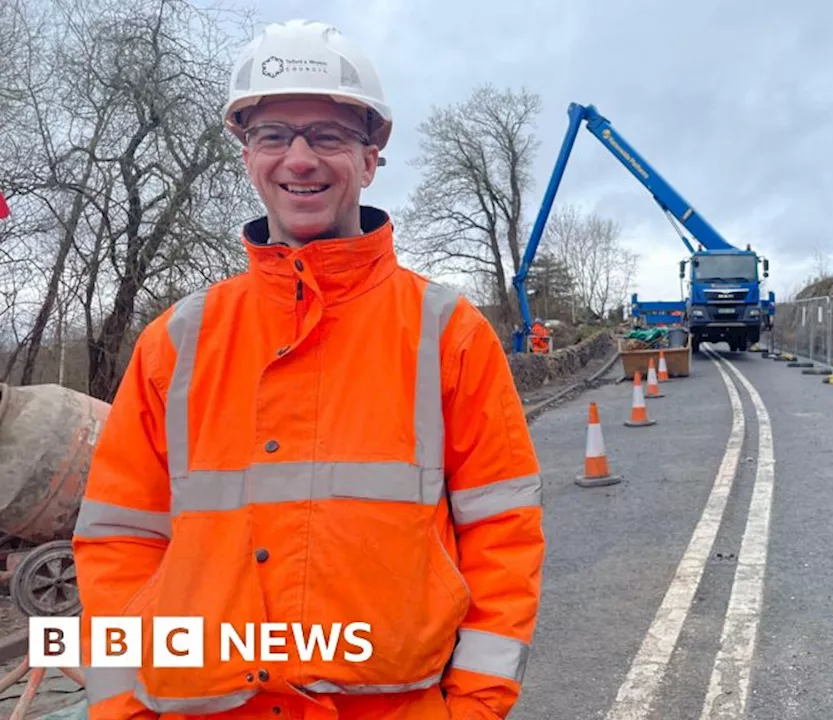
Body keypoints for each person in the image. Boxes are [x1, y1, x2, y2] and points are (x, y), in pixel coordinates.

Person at [70, 18, 545, 720]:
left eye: (326, 136)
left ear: (370, 156)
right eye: (274, 135)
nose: (300, 159)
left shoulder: (448, 333)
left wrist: (472, 707)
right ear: (247, 156)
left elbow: (503, 534)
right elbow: (119, 544)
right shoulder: (175, 341)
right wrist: (124, 707)